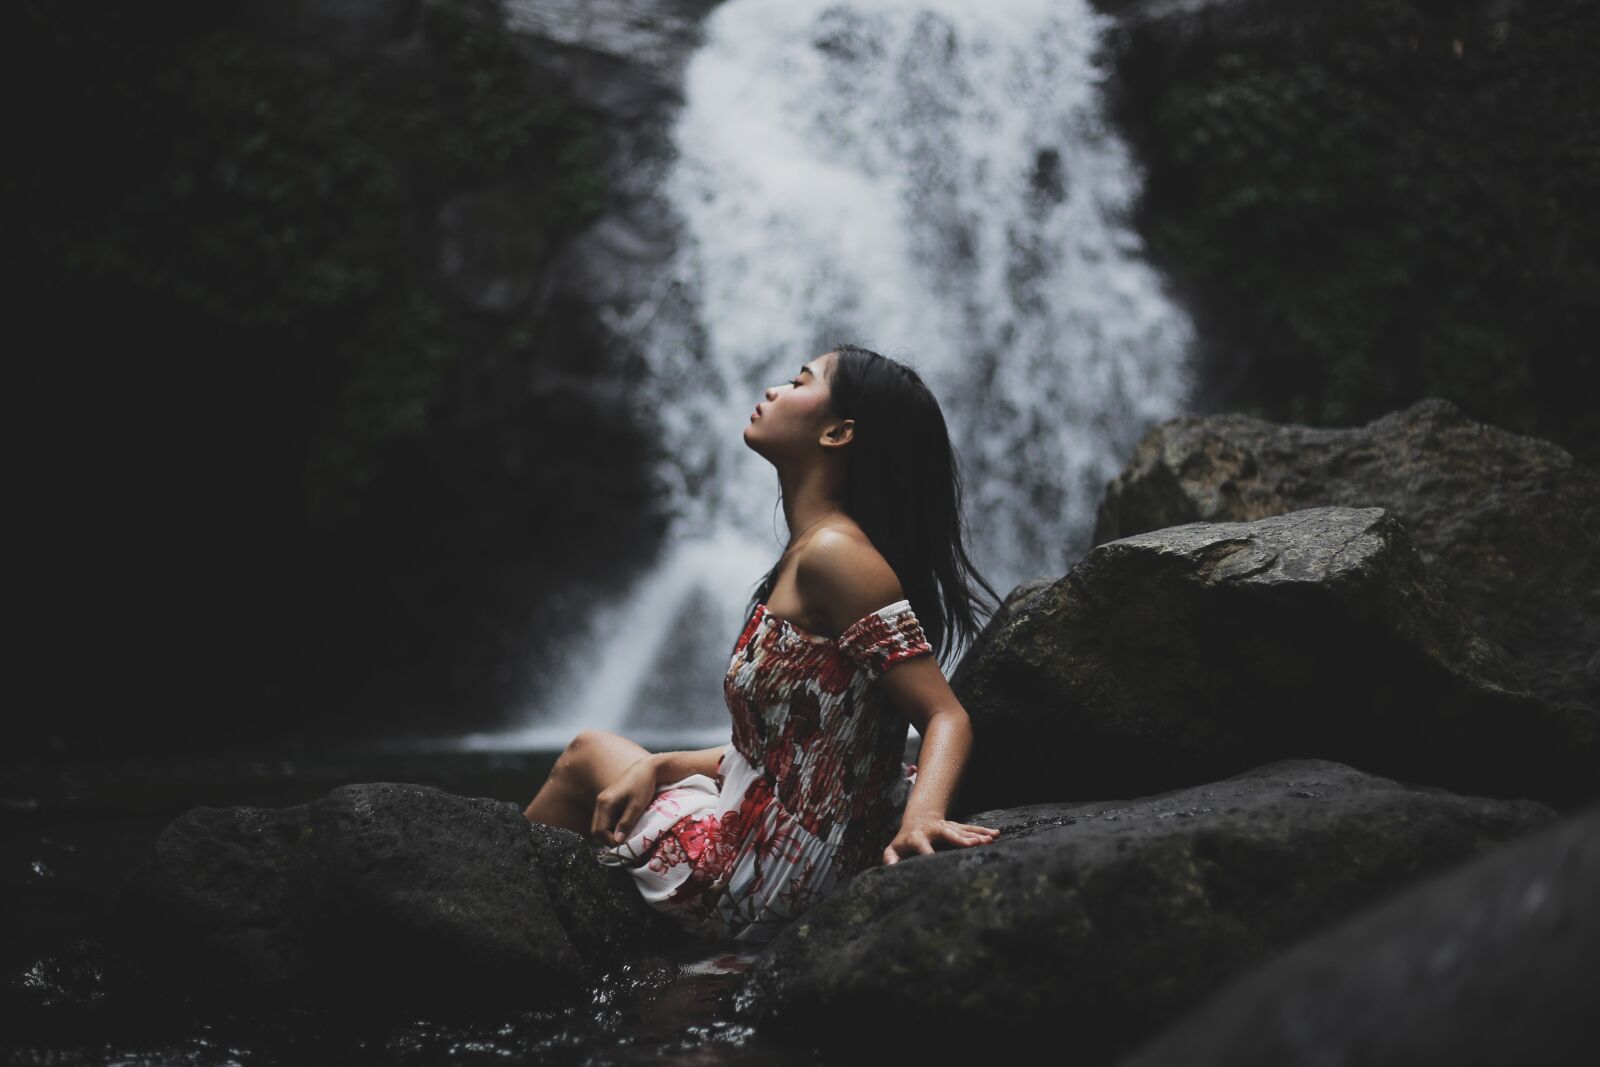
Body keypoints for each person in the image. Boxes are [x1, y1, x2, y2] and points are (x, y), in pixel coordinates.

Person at [523, 344, 1004, 943]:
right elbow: (787, 748)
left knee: (585, 754)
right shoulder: (813, 554)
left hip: (768, 872)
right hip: (790, 843)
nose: (774, 390)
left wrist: (923, 819)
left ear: (838, 432)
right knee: (617, 763)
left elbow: (944, 713)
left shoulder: (838, 557)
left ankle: (498, 912)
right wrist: (662, 763)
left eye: (799, 381)